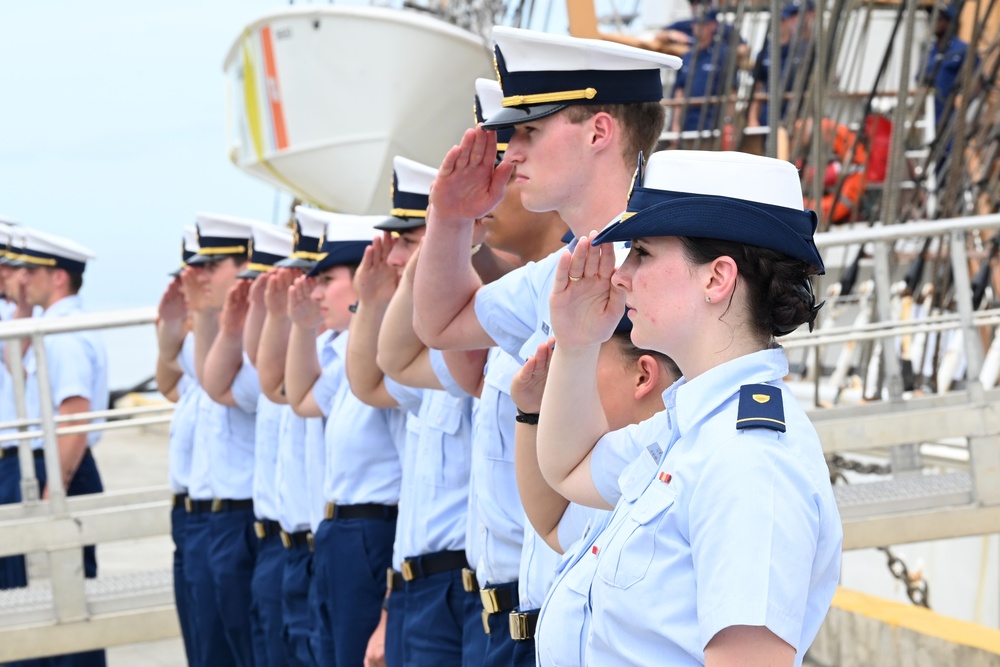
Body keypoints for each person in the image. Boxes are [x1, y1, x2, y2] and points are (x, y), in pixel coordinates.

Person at [533, 149, 842, 665]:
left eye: (644, 254)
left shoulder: (749, 460)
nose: (621, 275)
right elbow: (569, 467)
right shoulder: (693, 427)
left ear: (716, 279)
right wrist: (578, 342)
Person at [344, 156, 485, 667]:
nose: (397, 257)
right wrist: (373, 299)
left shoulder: (471, 332)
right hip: (410, 583)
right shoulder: (423, 352)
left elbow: (389, 366)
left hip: (454, 585)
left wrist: (436, 251)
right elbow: (370, 381)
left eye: (409, 241)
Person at [509, 317, 680, 666]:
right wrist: (532, 413)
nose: (563, 381)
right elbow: (554, 526)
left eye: (583, 362)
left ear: (643, 376)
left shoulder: (683, 458)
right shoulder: (626, 462)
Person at [283, 212, 402, 667]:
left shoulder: (389, 358)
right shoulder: (347, 355)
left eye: (326, 279)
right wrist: (297, 325)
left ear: (365, 275)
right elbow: (302, 398)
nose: (314, 292)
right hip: (336, 533)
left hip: (373, 533)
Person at [9, 228, 109, 667]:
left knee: (67, 604)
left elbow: (73, 416)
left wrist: (55, 491)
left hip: (62, 470)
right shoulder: (52, 325)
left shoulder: (65, 334)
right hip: (57, 467)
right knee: (49, 601)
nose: (20, 278)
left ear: (59, 278)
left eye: (30, 271)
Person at [184, 213, 262, 667]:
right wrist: (206, 313)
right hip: (221, 517)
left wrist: (215, 319)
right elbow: (200, 378)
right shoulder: (233, 332)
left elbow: (219, 386)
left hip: (246, 518)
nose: (202, 276)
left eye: (213, 266)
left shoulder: (259, 337)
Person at [255, 210, 332, 667]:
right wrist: (271, 314)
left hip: (320, 546)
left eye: (316, 277)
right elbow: (274, 383)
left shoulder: (338, 354)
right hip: (292, 546)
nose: (307, 291)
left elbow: (287, 391)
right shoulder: (312, 349)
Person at [154, 226, 201, 665]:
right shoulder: (196, 349)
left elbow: (218, 382)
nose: (192, 286)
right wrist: (169, 329)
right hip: (189, 514)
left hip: (225, 517)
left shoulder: (228, 348)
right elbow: (169, 384)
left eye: (202, 272)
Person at [670, 8, 736, 140]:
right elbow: (679, 91)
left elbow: (731, 91)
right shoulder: (687, 56)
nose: (699, 28)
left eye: (703, 24)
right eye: (696, 24)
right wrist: (675, 125)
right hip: (686, 127)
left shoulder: (723, 55)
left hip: (713, 128)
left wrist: (728, 124)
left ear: (713, 26)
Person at [748, 0, 815, 129]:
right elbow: (758, 88)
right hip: (767, 118)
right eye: (789, 18)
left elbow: (812, 86)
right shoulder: (764, 52)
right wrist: (752, 118)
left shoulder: (804, 51)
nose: (794, 22)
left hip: (796, 119)